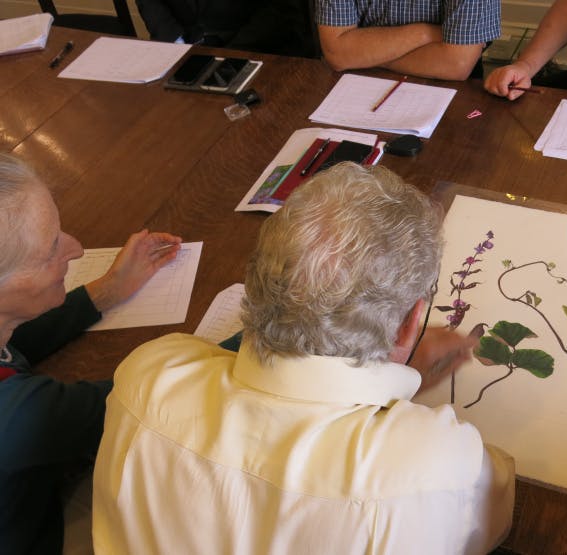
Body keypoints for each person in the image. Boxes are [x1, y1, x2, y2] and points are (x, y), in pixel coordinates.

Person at [92, 163, 515, 554]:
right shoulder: (434, 461)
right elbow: (493, 508)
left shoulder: (148, 374)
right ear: (411, 324)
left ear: (256, 283)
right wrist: (401, 379)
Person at [0, 153, 182, 554]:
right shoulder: (14, 414)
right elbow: (142, 405)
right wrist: (288, 324)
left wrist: (107, 291)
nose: (77, 249)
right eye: (50, 250)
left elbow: (14, 341)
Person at [315, 0, 501, 80]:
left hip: (449, 94)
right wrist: (426, 34)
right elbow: (337, 54)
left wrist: (361, 56)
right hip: (355, 87)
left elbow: (456, 64)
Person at [137, 0, 318, 58]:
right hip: (180, 47)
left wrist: (231, 53)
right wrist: (174, 43)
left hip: (263, 49)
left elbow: (283, 8)